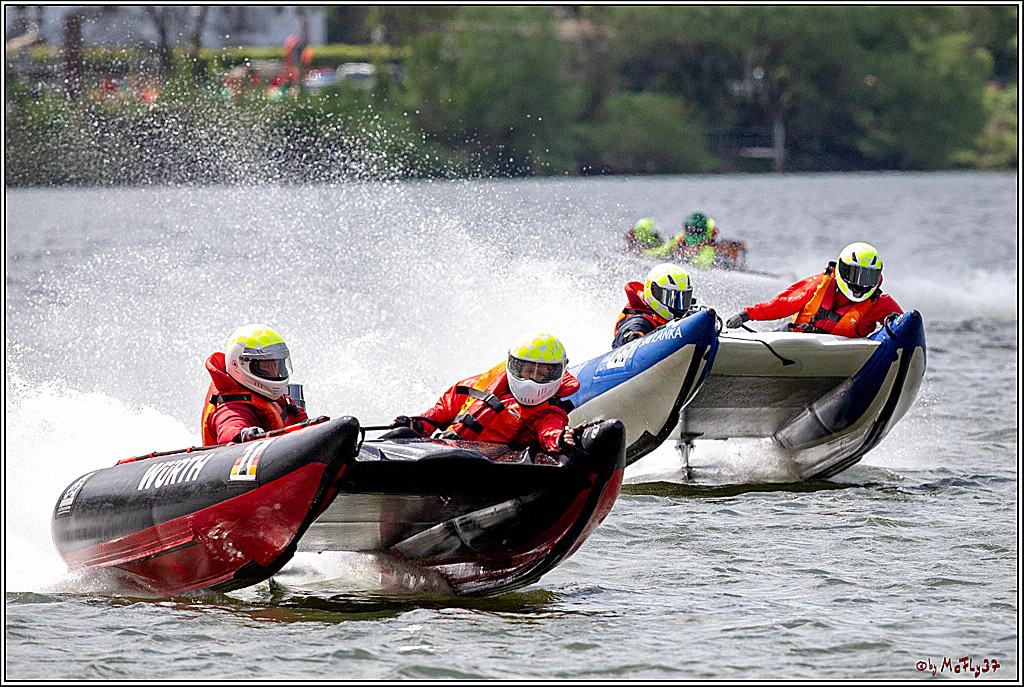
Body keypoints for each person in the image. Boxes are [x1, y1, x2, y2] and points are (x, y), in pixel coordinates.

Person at [390, 331, 582, 453]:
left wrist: (560, 440)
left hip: (488, 469)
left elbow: (550, 432)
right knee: (401, 433)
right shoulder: (475, 386)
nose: (532, 379)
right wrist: (415, 424)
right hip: (442, 453)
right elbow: (440, 412)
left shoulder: (549, 411)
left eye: (541, 373)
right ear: (515, 365)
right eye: (528, 370)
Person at [724, 242, 902, 337]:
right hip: (798, 340)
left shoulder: (880, 303)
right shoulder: (818, 285)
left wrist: (896, 325)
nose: (860, 284)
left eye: (867, 277)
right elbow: (782, 305)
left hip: (847, 355)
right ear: (842, 269)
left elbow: (906, 327)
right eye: (855, 275)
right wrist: (746, 315)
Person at [201, 323, 308, 446]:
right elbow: (230, 426)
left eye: (277, 365)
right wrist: (242, 434)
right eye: (265, 366)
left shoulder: (271, 397)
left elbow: (300, 420)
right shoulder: (230, 407)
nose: (274, 372)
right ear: (239, 365)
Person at [612, 263, 697, 348]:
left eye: (683, 299)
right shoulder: (638, 320)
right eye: (670, 298)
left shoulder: (687, 315)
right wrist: (634, 336)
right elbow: (630, 330)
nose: (678, 306)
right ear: (652, 291)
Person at [642, 212, 720, 269]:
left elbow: (704, 264)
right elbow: (663, 250)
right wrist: (644, 252)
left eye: (695, 231)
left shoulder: (709, 246)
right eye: (690, 230)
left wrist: (689, 258)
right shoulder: (681, 237)